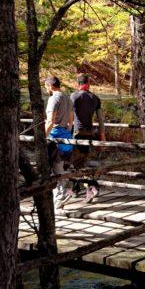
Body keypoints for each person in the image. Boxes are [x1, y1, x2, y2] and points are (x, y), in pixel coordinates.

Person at [71, 73, 105, 203]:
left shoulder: (74, 96)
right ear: (88, 83)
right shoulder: (95, 98)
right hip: (89, 133)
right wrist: (102, 136)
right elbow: (101, 120)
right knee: (79, 162)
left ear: (77, 83)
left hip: (76, 133)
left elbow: (69, 116)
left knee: (76, 163)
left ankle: (91, 187)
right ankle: (77, 189)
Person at [44, 76, 75, 207]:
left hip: (54, 135)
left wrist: (43, 137)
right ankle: (63, 192)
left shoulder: (53, 98)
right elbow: (71, 119)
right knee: (60, 165)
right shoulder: (67, 98)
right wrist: (67, 130)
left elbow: (50, 121)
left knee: (55, 167)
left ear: (50, 85)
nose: (46, 89)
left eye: (45, 86)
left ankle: (60, 196)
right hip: (66, 134)